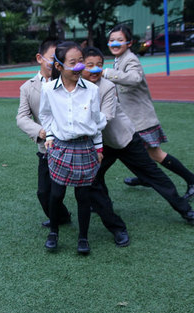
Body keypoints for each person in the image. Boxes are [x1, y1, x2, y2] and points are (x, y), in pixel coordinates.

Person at [82, 47, 194, 225]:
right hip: (105, 143)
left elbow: (105, 118)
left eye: (99, 65)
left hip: (125, 140)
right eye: (90, 65)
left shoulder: (107, 86)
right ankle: (102, 205)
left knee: (153, 175)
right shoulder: (78, 86)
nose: (95, 69)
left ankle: (186, 211)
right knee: (94, 175)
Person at [103, 24, 194, 200]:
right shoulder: (119, 59)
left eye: (119, 40)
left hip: (140, 119)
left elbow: (135, 78)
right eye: (112, 40)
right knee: (139, 154)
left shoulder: (130, 60)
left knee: (155, 154)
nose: (115, 43)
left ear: (129, 43)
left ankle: (191, 179)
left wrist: (107, 73)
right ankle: (145, 177)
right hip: (131, 118)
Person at [39, 41, 107, 254]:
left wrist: (98, 148)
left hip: (85, 147)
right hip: (60, 148)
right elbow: (45, 114)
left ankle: (83, 237)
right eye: (73, 62)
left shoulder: (92, 90)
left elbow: (96, 122)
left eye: (81, 62)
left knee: (83, 196)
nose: (79, 67)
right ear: (59, 66)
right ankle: (54, 231)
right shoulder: (49, 89)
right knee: (56, 193)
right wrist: (49, 135)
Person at [16, 38, 72, 228]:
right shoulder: (27, 87)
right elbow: (21, 117)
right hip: (47, 147)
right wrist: (40, 131)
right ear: (40, 58)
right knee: (44, 193)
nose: (57, 63)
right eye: (53, 58)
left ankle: (111, 220)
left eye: (60, 59)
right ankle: (61, 217)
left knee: (89, 187)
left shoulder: (70, 80)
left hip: (74, 145)